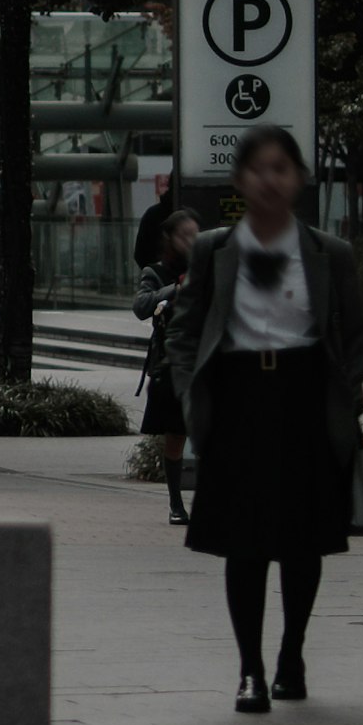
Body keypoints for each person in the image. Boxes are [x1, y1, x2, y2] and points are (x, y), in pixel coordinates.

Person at [163, 124, 363, 714]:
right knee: (243, 542)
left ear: (300, 178)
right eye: (258, 168)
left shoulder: (330, 253)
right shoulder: (214, 249)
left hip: (305, 397)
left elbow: (353, 334)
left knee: (304, 541)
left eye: (282, 168)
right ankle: (249, 668)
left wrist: (348, 398)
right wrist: (188, 394)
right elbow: (185, 327)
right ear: (239, 180)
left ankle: (292, 655)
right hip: (237, 399)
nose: (270, 179)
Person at [134, 208, 200, 522]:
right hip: (173, 364)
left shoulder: (210, 267)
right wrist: (175, 289)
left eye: (195, 234)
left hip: (209, 360)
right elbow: (141, 306)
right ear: (170, 239)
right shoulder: (157, 272)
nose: (191, 240)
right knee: (176, 435)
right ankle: (176, 502)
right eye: (184, 235)